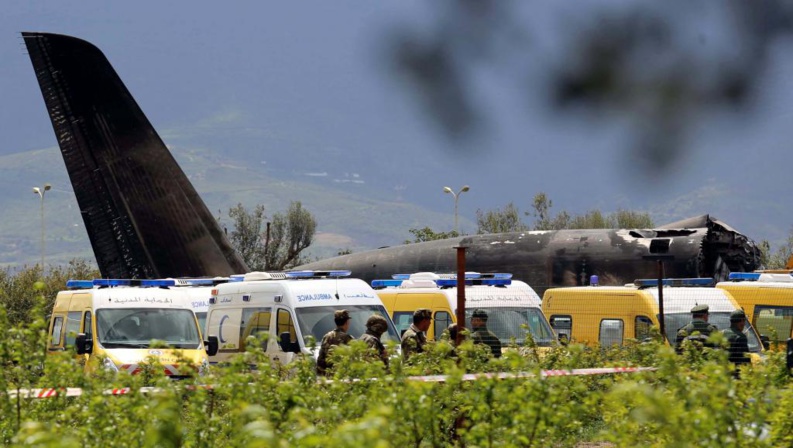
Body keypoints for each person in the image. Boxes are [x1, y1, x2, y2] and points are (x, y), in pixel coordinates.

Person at [316, 309, 353, 376]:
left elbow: (320, 360)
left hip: (328, 377)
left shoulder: (327, 336)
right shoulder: (347, 338)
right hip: (342, 377)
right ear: (346, 323)